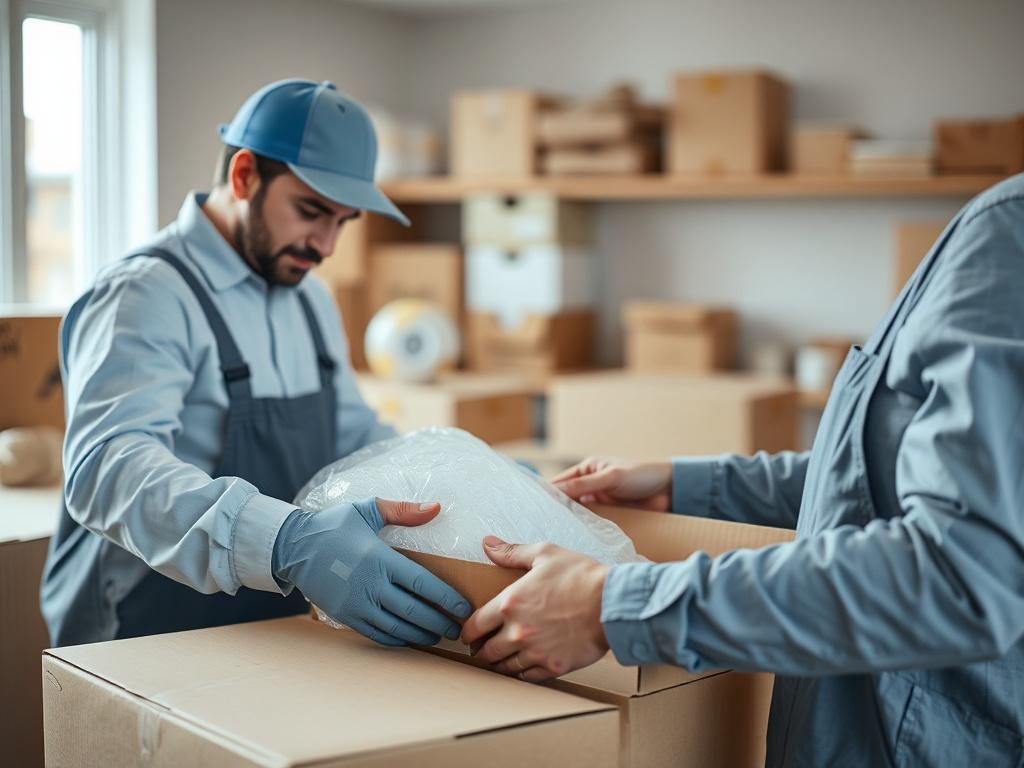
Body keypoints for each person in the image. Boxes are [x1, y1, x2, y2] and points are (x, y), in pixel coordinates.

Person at [462, 175, 1024, 766]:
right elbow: (887, 476)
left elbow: (956, 576)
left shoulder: (1008, 233)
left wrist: (612, 605)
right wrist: (692, 485)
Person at [41, 79, 470, 648]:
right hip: (146, 633)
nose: (326, 246)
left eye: (342, 222)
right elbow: (107, 469)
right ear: (244, 176)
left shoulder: (310, 299)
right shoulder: (146, 294)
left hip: (266, 624)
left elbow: (356, 435)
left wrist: (465, 479)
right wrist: (288, 542)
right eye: (311, 211)